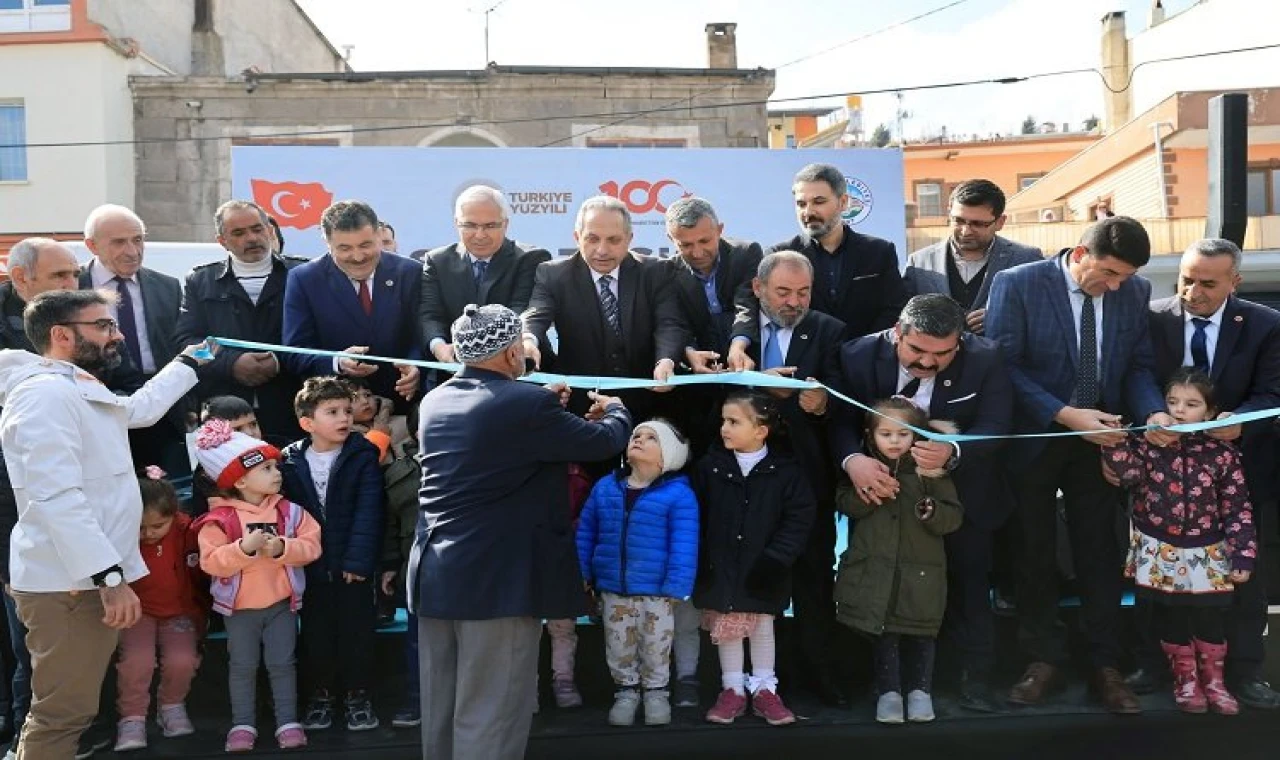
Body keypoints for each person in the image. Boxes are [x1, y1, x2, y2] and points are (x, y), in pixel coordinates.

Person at [411, 304, 631, 760]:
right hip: (498, 584)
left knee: (444, 710)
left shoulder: (435, 400)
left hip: (436, 576)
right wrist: (617, 410)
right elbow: (604, 443)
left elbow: (506, 439)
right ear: (514, 352)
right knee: (491, 713)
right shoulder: (528, 404)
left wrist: (550, 410)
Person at [0, 289, 210, 759]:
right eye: (102, 326)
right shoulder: (44, 396)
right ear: (60, 335)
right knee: (61, 716)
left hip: (81, 582)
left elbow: (137, 411)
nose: (116, 336)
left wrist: (190, 362)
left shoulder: (72, 385)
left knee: (66, 713)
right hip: (70, 586)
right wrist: (109, 577)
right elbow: (56, 497)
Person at [985, 216, 1170, 715]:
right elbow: (1004, 364)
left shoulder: (1134, 290)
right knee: (1033, 551)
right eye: (1109, 273)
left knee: (1100, 554)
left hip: (1101, 443)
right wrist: (1067, 415)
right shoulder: (1018, 283)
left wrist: (1152, 409)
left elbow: (1137, 365)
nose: (1116, 285)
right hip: (1038, 438)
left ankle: (1105, 664)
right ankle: (1041, 659)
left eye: (1126, 277)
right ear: (1082, 254)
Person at [831, 294, 1013, 712]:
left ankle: (974, 681)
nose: (928, 364)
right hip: (882, 498)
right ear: (897, 332)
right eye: (917, 351)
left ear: (961, 344)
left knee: (969, 585)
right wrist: (853, 459)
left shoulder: (988, 358)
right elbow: (839, 421)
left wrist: (954, 452)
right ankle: (880, 686)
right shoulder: (857, 355)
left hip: (961, 498)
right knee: (882, 587)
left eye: (942, 354)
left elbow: (998, 424)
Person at [1139, 238, 1280, 708]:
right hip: (1161, 479)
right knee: (1156, 574)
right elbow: (1136, 372)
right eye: (1186, 279)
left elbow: (1273, 391)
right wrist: (1151, 412)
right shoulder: (1153, 316)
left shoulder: (1265, 324)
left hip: (1235, 475)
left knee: (1241, 575)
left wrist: (1238, 420)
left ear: (1234, 282)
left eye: (1207, 283)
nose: (1191, 292)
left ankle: (1246, 671)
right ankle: (1157, 669)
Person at [725, 251, 846, 705]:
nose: (795, 302)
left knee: (815, 578)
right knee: (750, 577)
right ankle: (743, 682)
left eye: (803, 292)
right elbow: (711, 394)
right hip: (741, 480)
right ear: (758, 290)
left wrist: (820, 402)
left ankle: (819, 675)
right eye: (783, 292)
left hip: (804, 481)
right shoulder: (732, 333)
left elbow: (839, 395)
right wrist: (759, 385)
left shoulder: (830, 330)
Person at [1105, 369, 1254, 715]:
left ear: (1211, 411)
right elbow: (1125, 476)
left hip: (1209, 551)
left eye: (1191, 404)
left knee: (1210, 621)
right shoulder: (1149, 446)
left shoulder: (1223, 454)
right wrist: (1115, 443)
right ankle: (1184, 680)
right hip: (1161, 549)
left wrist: (1243, 555)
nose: (1179, 411)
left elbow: (1238, 508)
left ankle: (1214, 681)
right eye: (1172, 402)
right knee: (1169, 617)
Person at [193, 419, 322, 752]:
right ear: (240, 480)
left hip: (281, 605)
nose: (277, 473)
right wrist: (244, 548)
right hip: (238, 610)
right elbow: (210, 561)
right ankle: (243, 724)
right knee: (243, 667)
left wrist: (282, 548)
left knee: (283, 664)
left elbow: (312, 545)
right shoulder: (218, 520)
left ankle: (288, 722)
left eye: (275, 466)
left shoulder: (290, 512)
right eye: (266, 468)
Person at [833, 397, 963, 724]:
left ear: (916, 435)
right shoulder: (862, 471)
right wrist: (870, 495)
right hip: (876, 573)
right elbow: (845, 503)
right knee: (884, 634)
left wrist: (931, 511)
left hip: (921, 576)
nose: (894, 441)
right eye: (886, 434)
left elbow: (953, 516)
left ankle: (921, 693)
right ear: (870, 435)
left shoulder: (930, 473)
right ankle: (888, 694)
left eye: (903, 434)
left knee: (921, 635)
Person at [0, 237, 80, 757]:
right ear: (21, 279)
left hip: (72, 512)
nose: (72, 286)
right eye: (60, 277)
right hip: (13, 512)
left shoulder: (83, 328)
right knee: (26, 646)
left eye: (75, 275)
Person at [693, 390, 814, 727]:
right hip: (721, 565)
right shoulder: (709, 467)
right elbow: (697, 515)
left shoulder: (786, 472)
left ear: (761, 430)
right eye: (723, 421)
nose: (724, 428)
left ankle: (764, 688)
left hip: (765, 567)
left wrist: (776, 559)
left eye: (734, 422)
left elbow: (798, 518)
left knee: (761, 623)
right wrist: (703, 559)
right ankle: (731, 689)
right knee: (727, 624)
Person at [279, 376, 385, 733]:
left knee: (357, 634)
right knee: (315, 636)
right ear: (307, 423)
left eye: (347, 410)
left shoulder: (362, 455)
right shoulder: (290, 461)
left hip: (352, 570)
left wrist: (358, 562)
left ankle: (358, 695)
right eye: (333, 411)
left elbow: (370, 511)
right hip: (311, 570)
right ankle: (320, 696)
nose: (345, 418)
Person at [576, 419, 699, 727]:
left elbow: (684, 542)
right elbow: (586, 532)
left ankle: (656, 692)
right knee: (617, 644)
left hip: (658, 592)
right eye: (636, 435)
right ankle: (626, 692)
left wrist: (676, 585)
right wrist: (582, 571)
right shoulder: (606, 487)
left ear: (667, 456)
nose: (639, 440)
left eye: (651, 438)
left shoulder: (678, 494)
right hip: (613, 588)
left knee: (656, 644)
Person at [521, 195, 685, 424]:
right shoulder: (553, 275)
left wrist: (666, 361)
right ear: (577, 237)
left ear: (629, 239)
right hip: (580, 407)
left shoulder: (655, 272)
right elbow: (536, 314)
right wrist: (528, 341)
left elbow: (669, 323)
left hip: (648, 402)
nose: (602, 250)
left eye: (614, 240)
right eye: (592, 239)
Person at [729, 162, 904, 356]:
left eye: (819, 202)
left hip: (866, 364)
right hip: (805, 367)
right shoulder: (779, 255)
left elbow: (892, 310)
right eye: (801, 204)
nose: (808, 212)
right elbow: (764, 311)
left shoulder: (879, 252)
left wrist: (860, 351)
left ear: (843, 202)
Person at [176, 200, 308, 444]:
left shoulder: (303, 274)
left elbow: (316, 337)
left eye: (257, 229)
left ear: (269, 230)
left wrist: (279, 361)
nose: (251, 238)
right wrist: (231, 363)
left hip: (293, 405)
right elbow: (189, 341)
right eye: (239, 233)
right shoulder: (200, 280)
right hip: (226, 410)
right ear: (222, 241)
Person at [282, 200, 424, 412]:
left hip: (405, 406)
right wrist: (337, 362)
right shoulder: (305, 279)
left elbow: (423, 334)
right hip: (340, 411)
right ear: (327, 242)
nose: (357, 257)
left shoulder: (410, 272)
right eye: (345, 248)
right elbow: (294, 352)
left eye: (365, 245)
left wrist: (416, 365)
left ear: (379, 235)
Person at [80, 204, 191, 476]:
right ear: (92, 245)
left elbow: (175, 344)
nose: (132, 251)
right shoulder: (73, 287)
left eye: (138, 239)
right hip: (100, 409)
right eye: (119, 242)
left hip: (163, 410)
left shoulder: (166, 286)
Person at [659, 196, 763, 474]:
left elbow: (747, 304)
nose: (697, 252)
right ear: (671, 239)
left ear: (720, 229)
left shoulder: (747, 253)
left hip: (746, 370)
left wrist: (739, 345)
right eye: (685, 244)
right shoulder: (666, 272)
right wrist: (689, 351)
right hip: (698, 384)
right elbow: (674, 321)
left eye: (704, 241)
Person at [112, 470, 205, 753]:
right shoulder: (119, 535)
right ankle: (132, 718)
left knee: (183, 660)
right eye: (140, 527)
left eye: (157, 526)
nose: (148, 534)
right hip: (136, 613)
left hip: (178, 611)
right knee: (136, 662)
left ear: (174, 515)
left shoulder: (187, 532)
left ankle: (172, 706)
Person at [419, 186, 551, 363]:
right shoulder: (437, 261)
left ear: (505, 224)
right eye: (470, 225)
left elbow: (522, 311)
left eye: (490, 226)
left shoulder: (530, 259)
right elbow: (430, 315)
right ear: (457, 223)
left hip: (517, 369)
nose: (480, 235)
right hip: (455, 372)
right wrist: (439, 347)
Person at [903, 180, 1043, 334]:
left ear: (1000, 222)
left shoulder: (1027, 259)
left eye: (977, 224)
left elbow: (1045, 314)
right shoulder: (919, 263)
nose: (966, 231)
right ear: (949, 212)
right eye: (959, 220)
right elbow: (905, 319)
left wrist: (1001, 317)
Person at [190, 396, 263, 517]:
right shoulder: (206, 473)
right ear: (216, 434)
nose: (250, 433)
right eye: (238, 429)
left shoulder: (277, 452)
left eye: (253, 424)